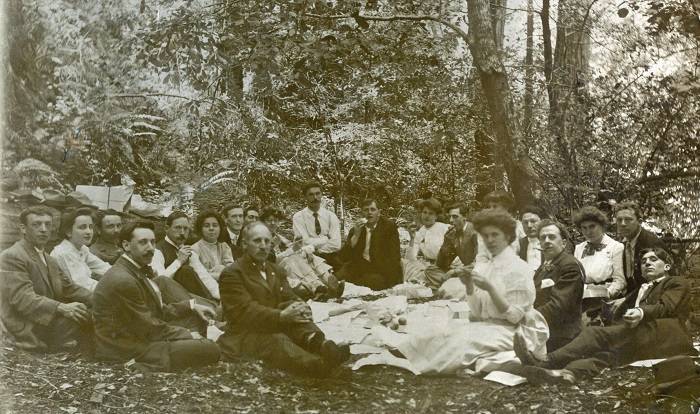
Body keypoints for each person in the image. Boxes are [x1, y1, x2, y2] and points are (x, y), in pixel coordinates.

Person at [395, 209, 548, 375]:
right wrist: (469, 286)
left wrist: (490, 289)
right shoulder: (487, 266)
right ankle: (404, 358)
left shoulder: (518, 268)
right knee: (442, 332)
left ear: (508, 237)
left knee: (461, 342)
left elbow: (514, 317)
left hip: (516, 331)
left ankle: (416, 366)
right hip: (490, 326)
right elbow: (477, 312)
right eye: (485, 236)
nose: (489, 240)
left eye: (495, 235)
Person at [515, 248, 696, 384]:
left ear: (666, 266)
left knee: (595, 334)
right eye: (643, 261)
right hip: (643, 339)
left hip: (666, 336)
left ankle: (547, 360)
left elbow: (667, 307)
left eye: (653, 260)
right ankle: (566, 374)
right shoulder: (639, 290)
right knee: (605, 354)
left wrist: (640, 312)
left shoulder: (676, 282)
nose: (647, 263)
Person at [217, 222, 350, 377]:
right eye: (257, 241)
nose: (263, 246)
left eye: (267, 241)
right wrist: (281, 316)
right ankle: (319, 367)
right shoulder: (232, 273)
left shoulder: (275, 270)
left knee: (295, 312)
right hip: (245, 334)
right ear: (244, 244)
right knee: (277, 340)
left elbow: (289, 295)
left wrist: (301, 307)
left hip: (275, 323)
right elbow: (244, 311)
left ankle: (321, 346)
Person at [92, 221, 220, 372]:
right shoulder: (124, 280)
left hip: (139, 337)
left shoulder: (132, 269)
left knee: (198, 323)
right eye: (143, 242)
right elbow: (149, 328)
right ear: (126, 246)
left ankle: (217, 332)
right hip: (126, 349)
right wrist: (187, 334)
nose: (150, 248)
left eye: (152, 242)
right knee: (211, 348)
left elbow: (154, 310)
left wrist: (191, 306)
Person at [0, 206, 93, 350]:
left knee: (101, 311)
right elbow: (23, 299)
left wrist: (101, 298)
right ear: (23, 228)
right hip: (27, 326)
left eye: (48, 224)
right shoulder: (12, 256)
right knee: (90, 317)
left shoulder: (49, 259)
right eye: (37, 224)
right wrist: (61, 307)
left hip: (46, 320)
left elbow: (70, 288)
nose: (44, 229)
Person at [260, 207, 342, 299]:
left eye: (275, 220)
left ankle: (330, 283)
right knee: (292, 259)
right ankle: (319, 288)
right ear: (262, 222)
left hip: (285, 262)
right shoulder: (261, 238)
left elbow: (291, 247)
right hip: (274, 267)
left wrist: (303, 251)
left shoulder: (278, 236)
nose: (273, 223)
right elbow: (271, 260)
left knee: (309, 256)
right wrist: (293, 250)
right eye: (269, 220)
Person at [533, 220, 585, 351]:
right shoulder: (544, 266)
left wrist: (525, 317)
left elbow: (559, 307)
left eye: (552, 237)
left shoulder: (570, 265)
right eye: (543, 237)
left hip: (562, 338)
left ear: (564, 242)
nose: (547, 241)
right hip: (543, 331)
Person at [337, 199, 403, 291]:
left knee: (370, 281)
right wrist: (356, 235)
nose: (369, 213)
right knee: (338, 277)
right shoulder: (356, 229)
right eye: (366, 210)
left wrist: (393, 283)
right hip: (360, 266)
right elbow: (344, 257)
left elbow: (395, 257)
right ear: (361, 213)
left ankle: (350, 287)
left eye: (372, 209)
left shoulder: (389, 228)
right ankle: (342, 287)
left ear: (379, 213)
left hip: (381, 269)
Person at [153, 212, 220, 301]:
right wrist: (179, 261)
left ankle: (210, 303)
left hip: (191, 297)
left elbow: (204, 276)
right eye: (178, 228)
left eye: (186, 229)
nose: (182, 232)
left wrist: (222, 296)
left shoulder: (188, 251)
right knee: (186, 270)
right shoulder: (157, 251)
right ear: (166, 228)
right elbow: (159, 282)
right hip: (169, 300)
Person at [50, 208, 111, 291]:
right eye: (82, 227)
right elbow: (83, 284)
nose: (89, 232)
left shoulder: (82, 249)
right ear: (68, 232)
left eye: (91, 227)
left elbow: (104, 268)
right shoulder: (64, 252)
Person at [572, 206, 625, 300]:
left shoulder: (616, 247)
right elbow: (576, 278)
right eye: (584, 228)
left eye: (592, 226)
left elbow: (620, 280)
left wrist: (605, 293)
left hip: (606, 298)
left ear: (601, 225)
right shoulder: (579, 248)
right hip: (583, 297)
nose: (588, 232)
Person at [423, 202, 479, 289]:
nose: (451, 220)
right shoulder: (454, 234)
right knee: (431, 270)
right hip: (463, 273)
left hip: (476, 271)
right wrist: (446, 242)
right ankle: (453, 286)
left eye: (455, 216)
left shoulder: (475, 232)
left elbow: (480, 263)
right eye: (449, 216)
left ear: (465, 217)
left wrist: (454, 272)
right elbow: (441, 264)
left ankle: (450, 286)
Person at [615, 201, 665, 293]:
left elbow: (658, 281)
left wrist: (626, 300)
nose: (622, 224)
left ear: (640, 221)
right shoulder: (624, 244)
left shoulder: (651, 242)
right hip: (633, 294)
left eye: (628, 220)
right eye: (619, 220)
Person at [292, 182, 342, 270]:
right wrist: (326, 238)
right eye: (311, 195)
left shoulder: (330, 216)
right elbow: (304, 242)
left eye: (317, 194)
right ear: (305, 197)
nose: (315, 198)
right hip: (307, 258)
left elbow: (336, 244)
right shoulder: (299, 217)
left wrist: (317, 251)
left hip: (330, 257)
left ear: (321, 195)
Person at [191, 210, 234, 282]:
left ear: (220, 228)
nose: (211, 228)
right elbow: (199, 275)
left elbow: (232, 271)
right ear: (200, 229)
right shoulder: (194, 249)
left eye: (215, 225)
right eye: (206, 226)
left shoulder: (224, 247)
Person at [405, 198, 450, 264]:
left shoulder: (445, 228)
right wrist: (412, 239)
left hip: (447, 266)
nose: (427, 216)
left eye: (431, 213)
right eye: (424, 212)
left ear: (436, 216)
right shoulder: (420, 232)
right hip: (430, 267)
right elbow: (410, 259)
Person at [519, 206, 544, 273]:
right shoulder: (518, 245)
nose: (529, 226)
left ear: (541, 222)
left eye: (533, 221)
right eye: (525, 222)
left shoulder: (551, 242)